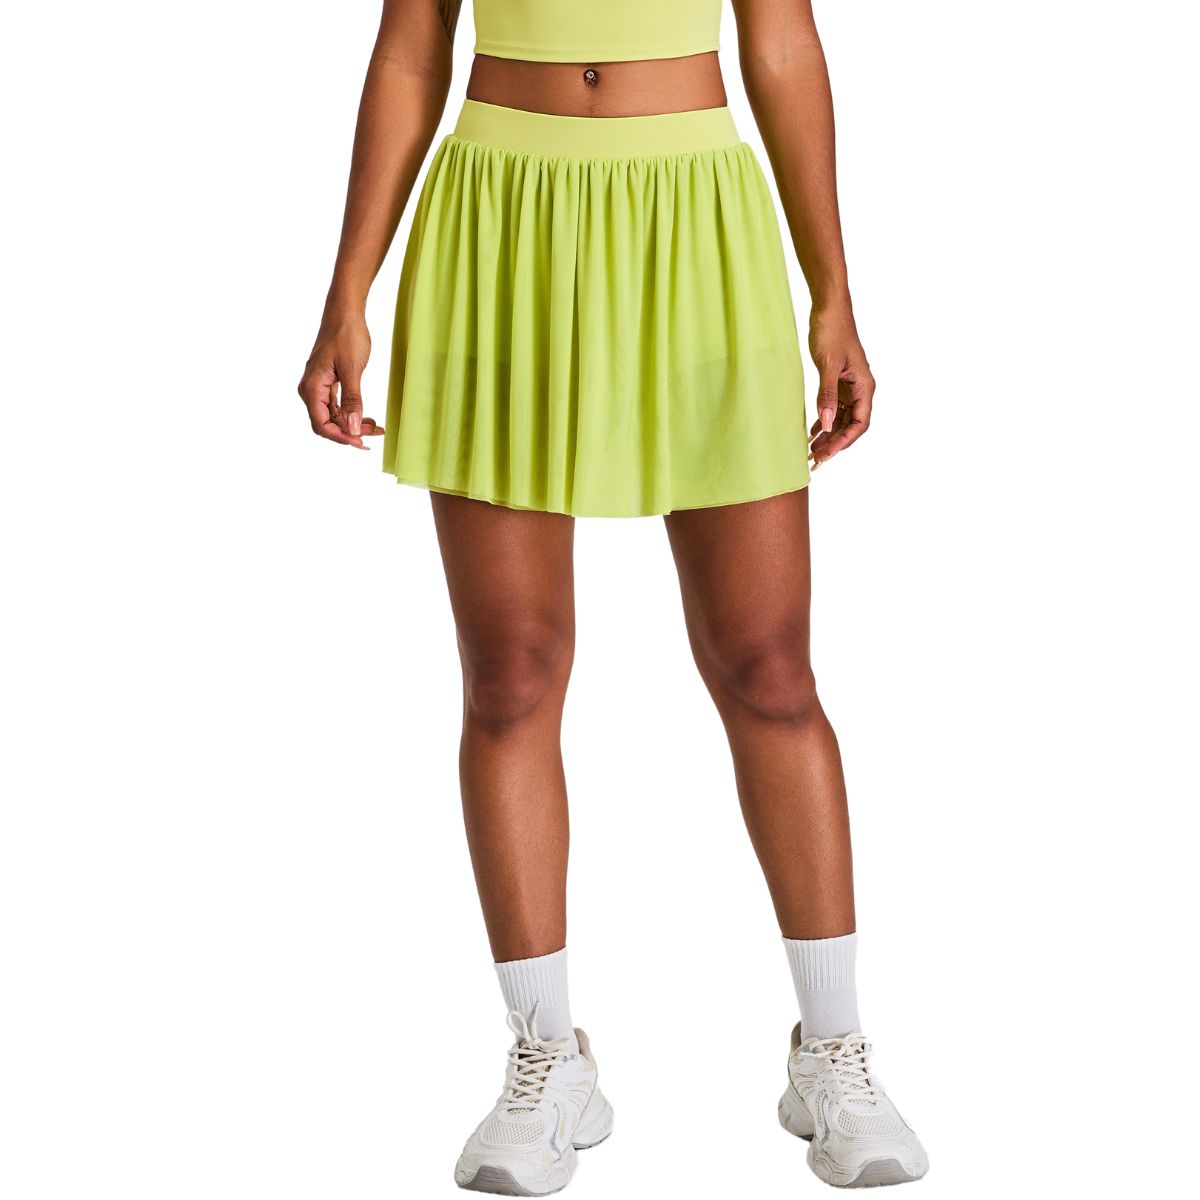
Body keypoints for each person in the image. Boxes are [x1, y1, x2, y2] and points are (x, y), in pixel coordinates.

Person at [298, 0, 928, 1191]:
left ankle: (832, 1053)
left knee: (769, 667)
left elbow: (782, 41)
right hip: (499, 224)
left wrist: (833, 287)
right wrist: (348, 291)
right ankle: (548, 1057)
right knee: (510, 674)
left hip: (694, 215)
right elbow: (411, 50)